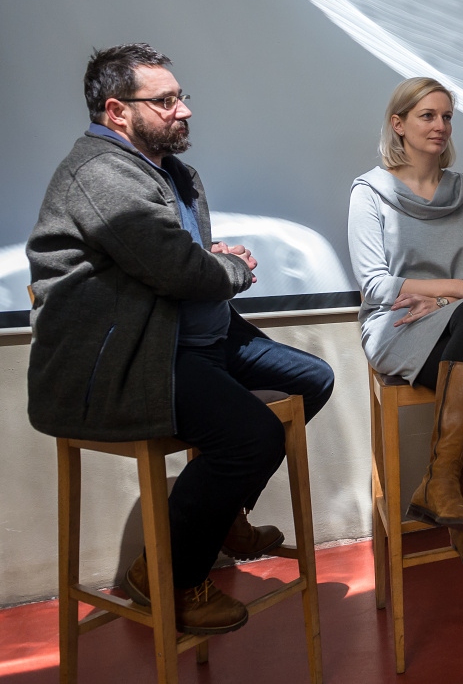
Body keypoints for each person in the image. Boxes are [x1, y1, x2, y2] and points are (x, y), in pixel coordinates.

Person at [26, 43, 335, 634]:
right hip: (131, 353)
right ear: (117, 111)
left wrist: (206, 260)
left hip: (193, 336)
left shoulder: (171, 172)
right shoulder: (100, 172)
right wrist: (231, 270)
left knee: (311, 379)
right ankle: (167, 574)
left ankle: (223, 515)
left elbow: (169, 258)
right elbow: (174, 270)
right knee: (248, 436)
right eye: (165, 100)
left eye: (180, 97)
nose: (183, 110)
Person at [348, 77, 463, 572]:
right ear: (397, 124)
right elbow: (377, 286)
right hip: (395, 324)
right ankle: (451, 500)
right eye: (427, 116)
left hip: (459, 324)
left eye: (446, 117)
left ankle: (443, 489)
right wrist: (451, 292)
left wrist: (445, 300)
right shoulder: (369, 192)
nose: (440, 126)